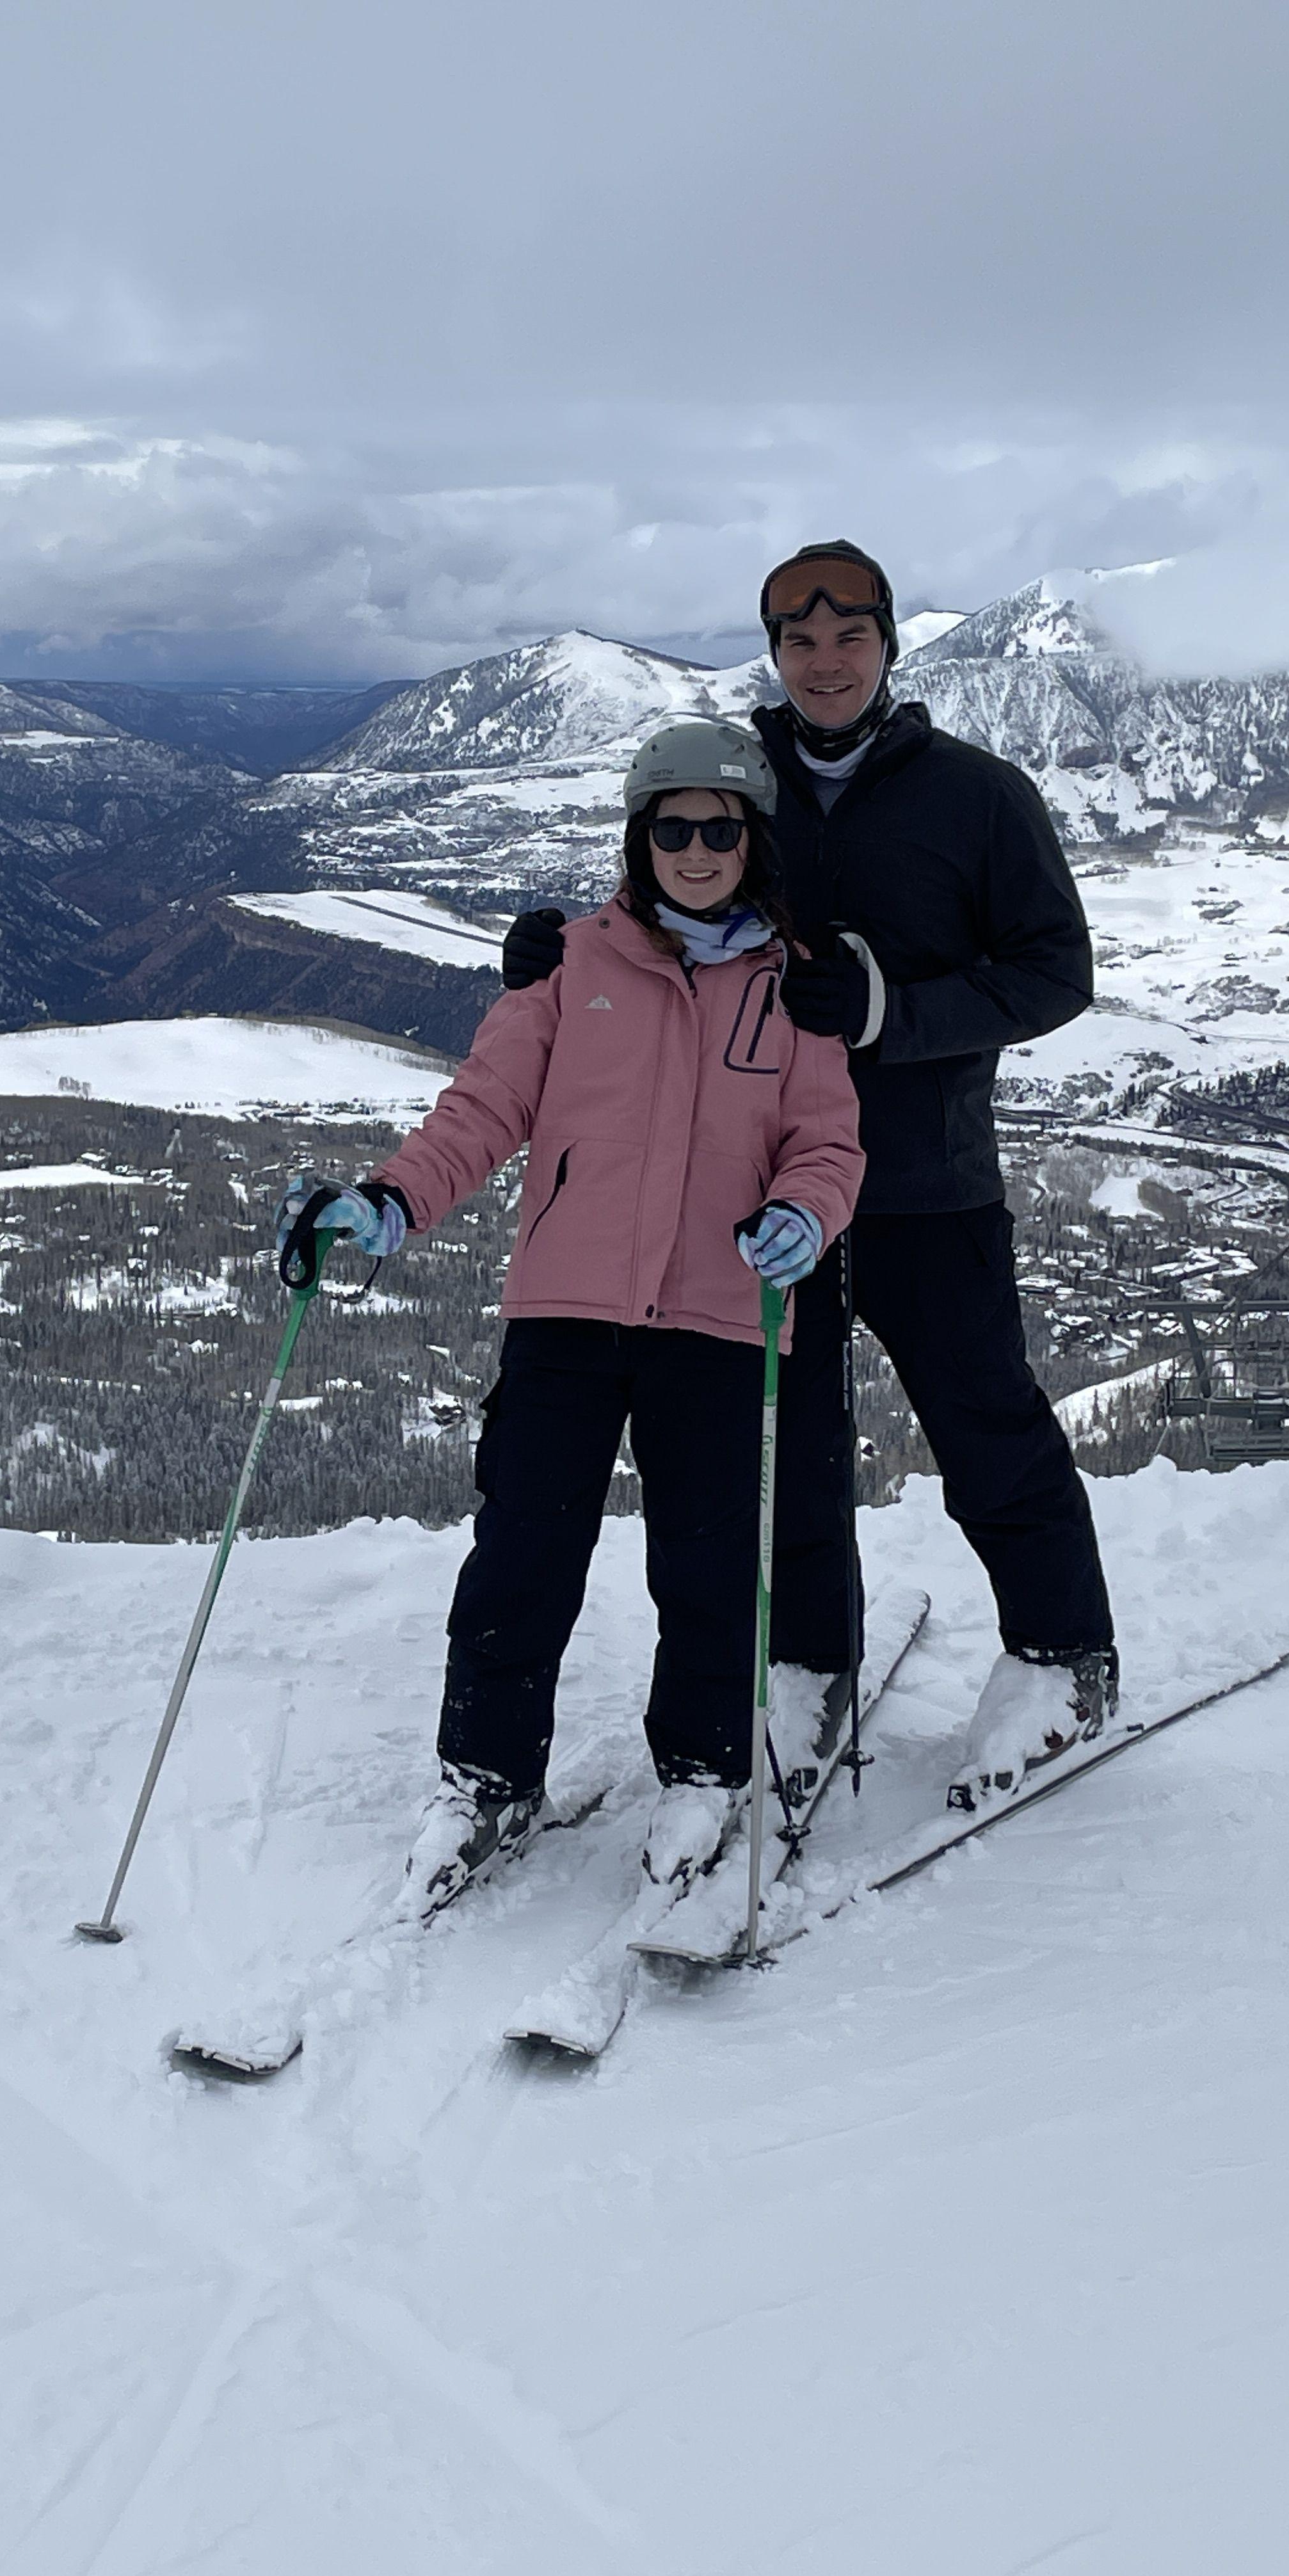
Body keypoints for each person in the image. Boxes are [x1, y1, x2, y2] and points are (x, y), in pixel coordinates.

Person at [502, 541, 1116, 1803]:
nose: (825, 660)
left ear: (890, 645)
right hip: (755, 1201)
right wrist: (562, 954)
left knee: (981, 1415)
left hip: (925, 1182)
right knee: (789, 1447)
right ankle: (806, 1665)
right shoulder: (746, 778)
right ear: (774, 650)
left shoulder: (977, 798)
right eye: (799, 639)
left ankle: (1063, 1651)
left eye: (850, 636)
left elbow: (1056, 973)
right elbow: (665, 903)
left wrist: (890, 1006)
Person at [277, 719, 864, 1915]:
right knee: (524, 1553)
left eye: (719, 827)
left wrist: (807, 1213)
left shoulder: (793, 988)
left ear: (751, 841)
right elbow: (485, 1108)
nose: (695, 848)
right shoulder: (566, 968)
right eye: (672, 827)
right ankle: (488, 1774)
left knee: (706, 1563)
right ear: (640, 837)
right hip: (568, 1311)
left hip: (716, 1317)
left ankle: (703, 1770)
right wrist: (393, 1202)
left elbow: (828, 1141)